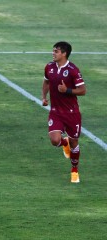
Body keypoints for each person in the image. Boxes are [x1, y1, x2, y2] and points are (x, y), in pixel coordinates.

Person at [42, 41, 86, 183]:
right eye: (53, 51)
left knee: (74, 142)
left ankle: (74, 170)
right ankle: (63, 143)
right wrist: (44, 97)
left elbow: (83, 90)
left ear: (64, 53)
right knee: (55, 141)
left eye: (56, 51)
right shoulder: (49, 67)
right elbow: (46, 82)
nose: (53, 53)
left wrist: (66, 90)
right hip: (56, 111)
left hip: (72, 113)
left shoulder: (73, 70)